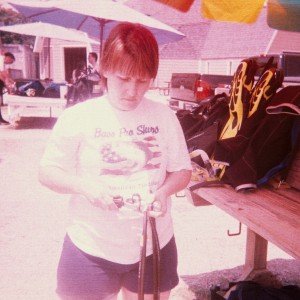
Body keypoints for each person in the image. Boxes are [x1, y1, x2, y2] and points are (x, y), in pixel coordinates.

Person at [39, 22, 192, 300]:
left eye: (143, 80)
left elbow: (182, 171)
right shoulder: (78, 116)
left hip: (153, 245)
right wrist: (84, 186)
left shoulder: (164, 116)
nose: (133, 91)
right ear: (105, 69)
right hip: (90, 246)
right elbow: (48, 172)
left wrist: (164, 192)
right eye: (124, 78)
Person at [0, 51, 15, 124]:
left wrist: (7, 83)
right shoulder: (1, 59)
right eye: (10, 61)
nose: (9, 64)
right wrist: (10, 80)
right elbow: (2, 72)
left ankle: (0, 119)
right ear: (8, 57)